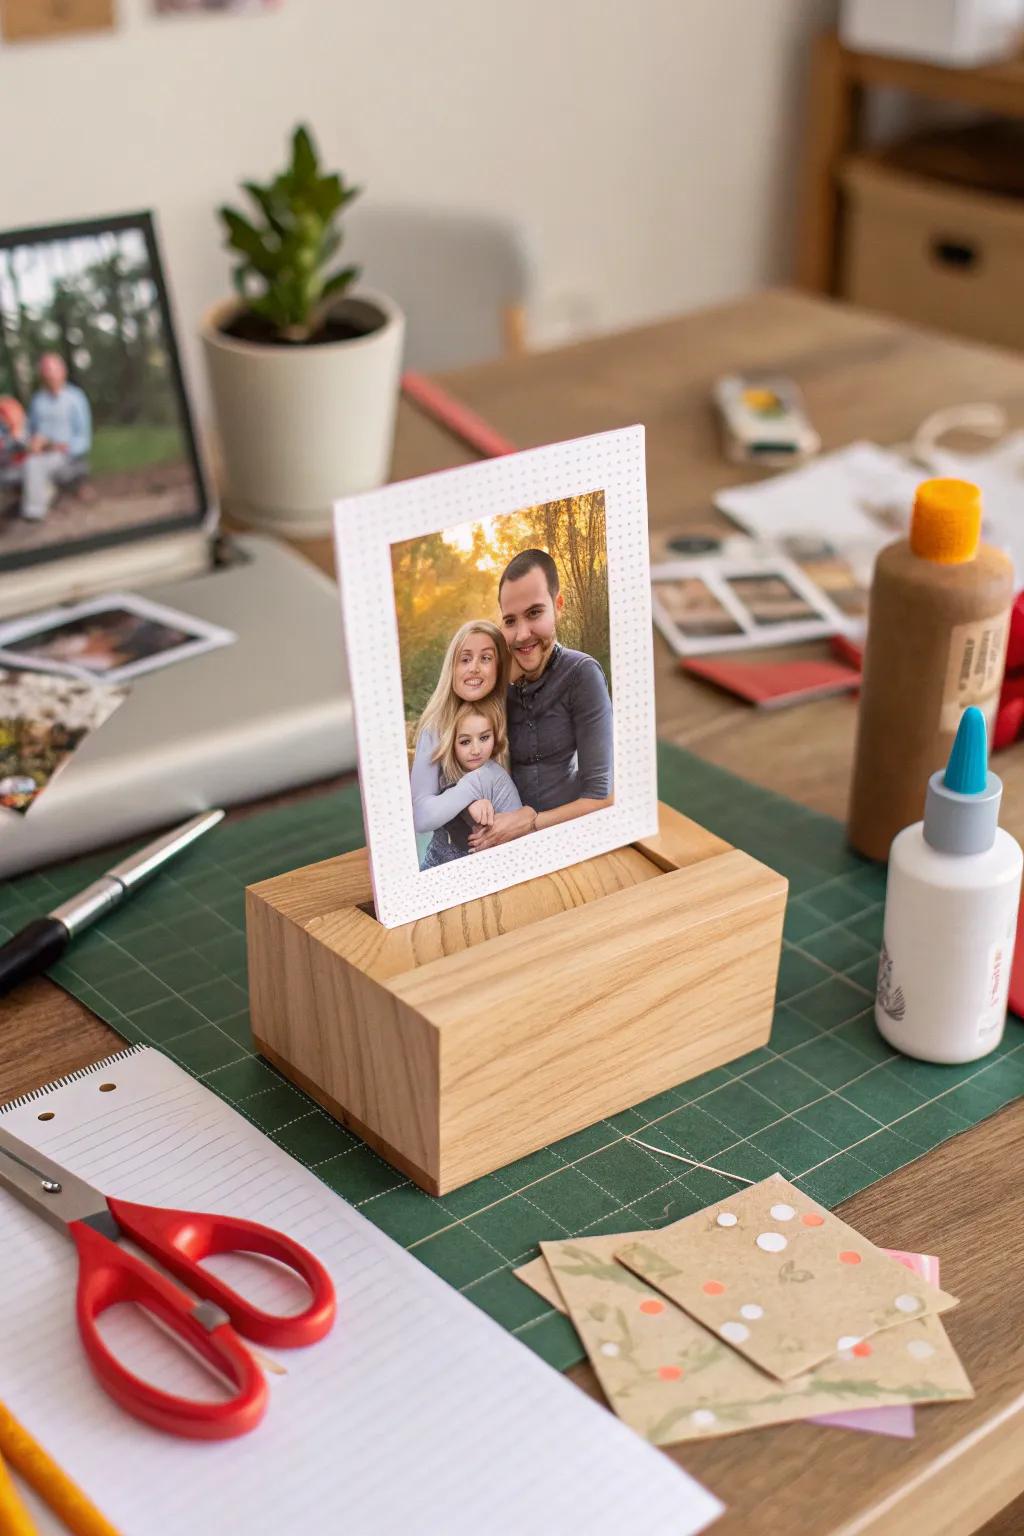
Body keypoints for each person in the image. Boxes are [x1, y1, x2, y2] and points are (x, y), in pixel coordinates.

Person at [468, 547, 613, 853]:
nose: (521, 635)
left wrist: (531, 822)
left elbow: (603, 795)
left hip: (572, 837)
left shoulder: (582, 674)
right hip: (505, 837)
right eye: (510, 621)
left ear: (558, 606)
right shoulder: (497, 680)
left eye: (534, 613)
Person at [410, 619, 520, 868]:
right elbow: (421, 815)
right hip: (444, 859)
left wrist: (526, 816)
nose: (474, 668)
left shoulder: (515, 713)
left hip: (501, 859)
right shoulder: (436, 727)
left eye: (486, 658)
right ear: (453, 667)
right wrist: (472, 789)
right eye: (465, 659)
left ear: (499, 666)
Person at [20, 353, 92, 522]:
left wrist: (63, 447)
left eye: (53, 371)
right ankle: (44, 495)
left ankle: (34, 512)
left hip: (64, 454)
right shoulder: (38, 401)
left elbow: (83, 438)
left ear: (63, 372)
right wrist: (31, 442)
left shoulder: (76, 399)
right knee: (30, 461)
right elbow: (29, 430)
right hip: (40, 452)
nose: (50, 375)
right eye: (46, 371)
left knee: (33, 464)